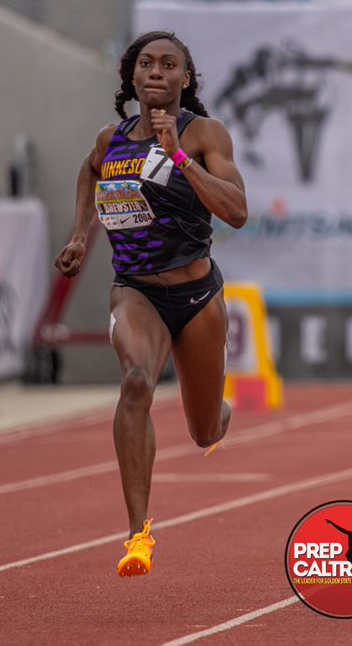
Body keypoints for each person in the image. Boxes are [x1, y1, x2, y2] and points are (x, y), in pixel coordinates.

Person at [54, 31, 248, 576]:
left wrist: (180, 157)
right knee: (136, 379)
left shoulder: (204, 132)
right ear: (132, 78)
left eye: (169, 65)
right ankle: (138, 535)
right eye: (147, 63)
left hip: (196, 295)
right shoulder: (108, 140)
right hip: (135, 288)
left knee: (205, 430)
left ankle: (220, 409)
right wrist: (77, 234)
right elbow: (89, 172)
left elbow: (236, 211)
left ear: (186, 80)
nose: (157, 72)